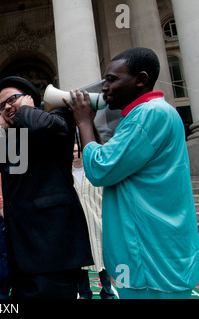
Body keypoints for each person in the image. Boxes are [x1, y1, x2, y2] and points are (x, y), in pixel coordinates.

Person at [66, 47, 199, 299]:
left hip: (150, 255)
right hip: (154, 251)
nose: (104, 87)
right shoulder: (150, 113)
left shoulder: (147, 114)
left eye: (112, 79)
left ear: (141, 80)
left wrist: (83, 122)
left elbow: (99, 169)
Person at [0, 76, 93, 299]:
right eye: (1, 106)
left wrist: (24, 110)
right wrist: (0, 128)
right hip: (22, 249)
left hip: (53, 244)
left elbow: (45, 126)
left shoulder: (58, 117)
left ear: (30, 98)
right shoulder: (12, 135)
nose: (7, 107)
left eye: (12, 100)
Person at [72, 143, 114, 299]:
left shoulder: (94, 172)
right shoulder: (67, 174)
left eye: (77, 151)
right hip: (78, 225)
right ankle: (84, 293)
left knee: (103, 260)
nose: (75, 154)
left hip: (97, 220)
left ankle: (107, 293)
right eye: (73, 151)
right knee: (81, 263)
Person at [0, 173, 11, 299]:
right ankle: (2, 294)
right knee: (4, 259)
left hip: (13, 218)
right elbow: (0, 202)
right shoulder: (1, 173)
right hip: (4, 219)